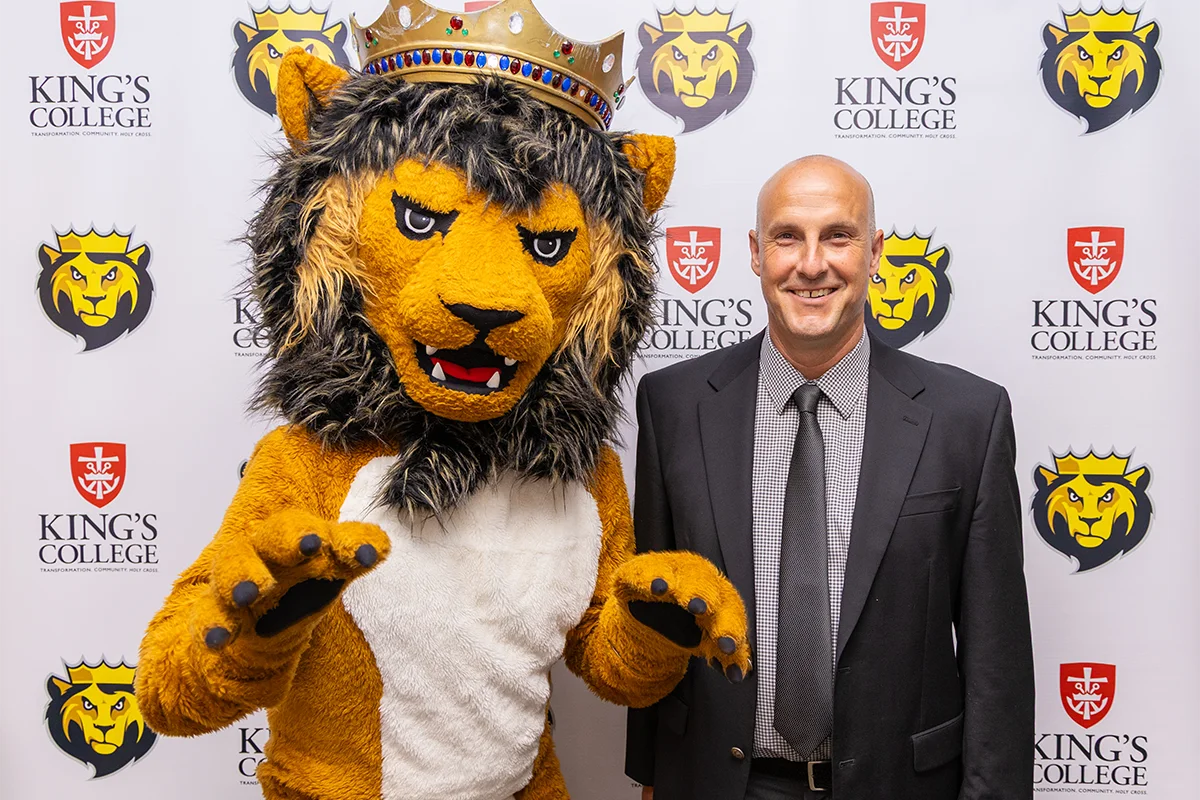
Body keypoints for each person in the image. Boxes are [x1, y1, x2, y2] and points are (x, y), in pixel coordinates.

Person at [625, 156, 1034, 799]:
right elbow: (656, 615)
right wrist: (650, 775)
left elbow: (996, 658)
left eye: (837, 236)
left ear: (874, 254)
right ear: (757, 254)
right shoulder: (673, 406)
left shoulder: (967, 419)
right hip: (717, 782)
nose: (811, 264)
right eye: (788, 237)